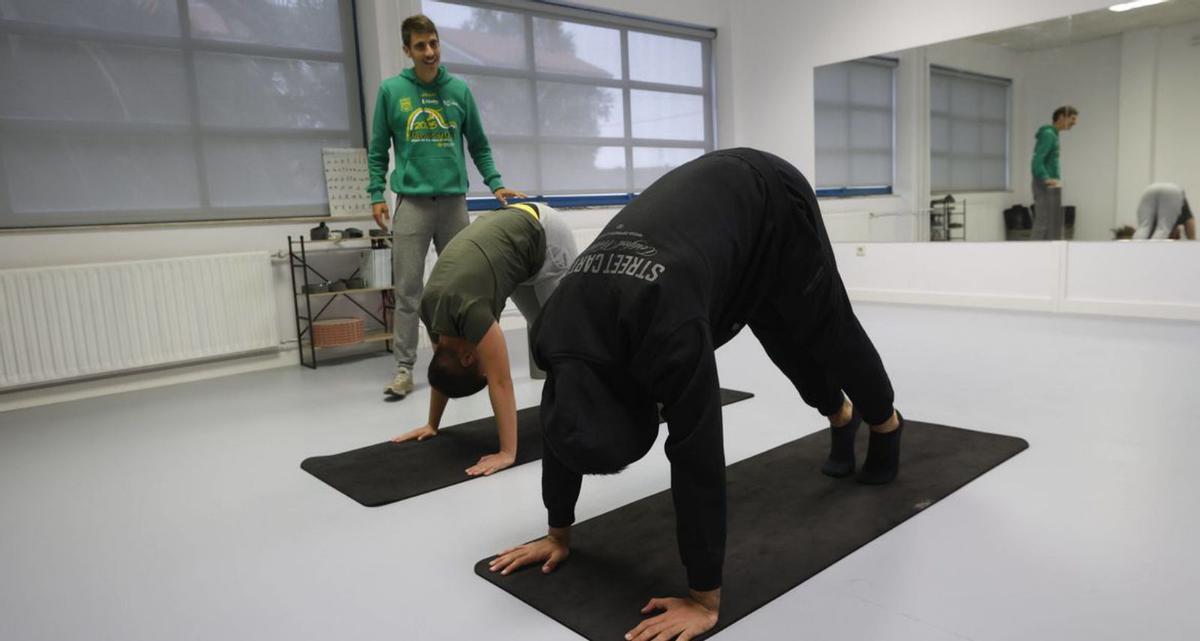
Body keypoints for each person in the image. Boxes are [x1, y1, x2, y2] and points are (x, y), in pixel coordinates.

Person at [487, 148, 902, 641]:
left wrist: (704, 598)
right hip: (712, 231)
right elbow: (563, 419)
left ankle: (884, 424)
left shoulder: (667, 334)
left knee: (822, 328)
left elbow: (697, 454)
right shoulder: (556, 329)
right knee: (777, 334)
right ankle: (840, 417)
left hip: (771, 198)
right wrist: (558, 532)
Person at [366, 14, 526, 399]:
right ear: (407, 50)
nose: (430, 51)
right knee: (408, 290)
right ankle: (404, 369)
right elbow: (376, 151)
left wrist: (497, 184)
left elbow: (480, 146)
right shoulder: (391, 92)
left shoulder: (459, 91)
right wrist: (375, 194)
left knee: (466, 287)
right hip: (412, 205)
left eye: (434, 43)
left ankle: (468, 356)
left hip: (454, 203)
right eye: (420, 45)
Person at [390, 202, 578, 476]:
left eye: (482, 370)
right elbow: (442, 368)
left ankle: (602, 407)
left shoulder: (473, 313)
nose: (487, 366)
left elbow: (501, 382)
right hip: (515, 244)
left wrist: (507, 453)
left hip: (545, 234)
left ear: (468, 357)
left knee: (567, 344)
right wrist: (433, 424)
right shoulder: (431, 311)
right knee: (544, 337)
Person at [1029, 105, 1078, 241]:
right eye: (1072, 119)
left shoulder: (1053, 135)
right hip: (1043, 184)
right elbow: (1037, 161)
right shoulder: (1048, 135)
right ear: (1062, 117)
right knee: (1043, 221)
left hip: (1051, 185)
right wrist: (1046, 178)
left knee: (1051, 223)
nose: (1075, 123)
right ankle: (1032, 254)